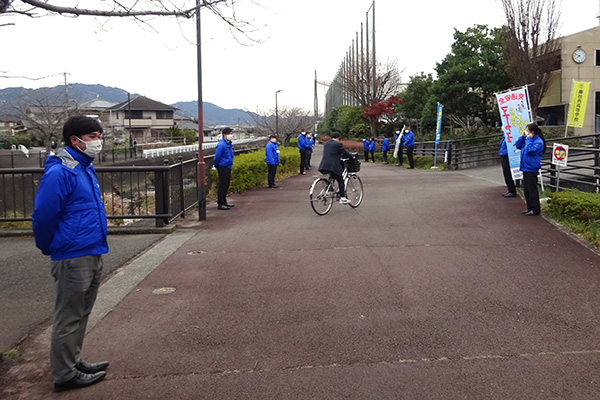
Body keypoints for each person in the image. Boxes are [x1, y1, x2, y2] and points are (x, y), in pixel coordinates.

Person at [32, 116, 109, 393]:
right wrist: (49, 246)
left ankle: (73, 361)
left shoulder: (84, 168)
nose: (97, 141)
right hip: (73, 254)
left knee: (82, 312)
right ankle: (64, 375)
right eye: (92, 136)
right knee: (68, 316)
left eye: (99, 135)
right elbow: (43, 215)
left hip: (91, 249)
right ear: (75, 140)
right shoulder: (61, 172)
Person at [515, 123, 546, 216]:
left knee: (532, 190)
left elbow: (530, 150)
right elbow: (518, 145)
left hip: (532, 168)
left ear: (532, 132)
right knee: (526, 190)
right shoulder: (528, 140)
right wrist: (523, 137)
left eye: (527, 130)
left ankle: (535, 209)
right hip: (525, 167)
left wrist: (528, 139)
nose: (526, 132)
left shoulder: (538, 142)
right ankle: (529, 207)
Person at [319, 132, 355, 205]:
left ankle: (328, 189)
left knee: (332, 176)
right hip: (333, 166)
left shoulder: (326, 144)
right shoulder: (338, 144)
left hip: (324, 165)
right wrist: (352, 157)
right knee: (340, 180)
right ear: (338, 138)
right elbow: (345, 153)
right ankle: (342, 198)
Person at [214, 127, 235, 210]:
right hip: (223, 166)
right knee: (222, 185)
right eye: (230, 133)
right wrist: (216, 165)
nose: (231, 135)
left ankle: (224, 201)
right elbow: (217, 157)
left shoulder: (228, 143)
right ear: (224, 135)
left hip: (228, 166)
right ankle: (220, 203)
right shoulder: (221, 144)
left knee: (226, 185)